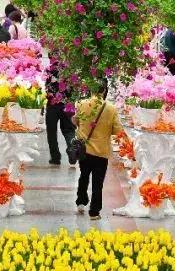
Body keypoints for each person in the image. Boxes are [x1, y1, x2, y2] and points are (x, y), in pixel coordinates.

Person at [73, 86, 123, 219]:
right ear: (104, 91)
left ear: (91, 90)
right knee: (98, 182)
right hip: (101, 152)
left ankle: (81, 202)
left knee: (83, 176)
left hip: (85, 149)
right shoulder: (111, 108)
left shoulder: (81, 104)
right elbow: (117, 131)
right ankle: (94, 212)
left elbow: (76, 120)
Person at [45, 65, 76, 166]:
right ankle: (72, 149)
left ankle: (55, 158)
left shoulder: (49, 70)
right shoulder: (71, 68)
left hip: (52, 105)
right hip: (67, 105)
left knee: (52, 132)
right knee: (69, 130)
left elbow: (46, 88)